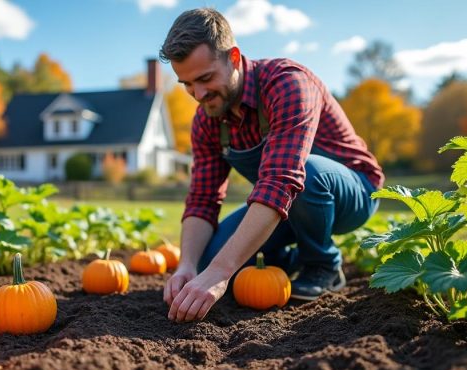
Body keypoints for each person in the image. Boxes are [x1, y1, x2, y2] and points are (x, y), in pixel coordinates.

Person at [160, 8, 384, 323]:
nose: (198, 94)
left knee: (309, 173)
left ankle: (322, 265)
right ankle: (289, 260)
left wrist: (221, 273)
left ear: (234, 58)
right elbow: (203, 199)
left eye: (205, 78)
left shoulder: (287, 84)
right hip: (285, 206)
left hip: (352, 193)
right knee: (208, 262)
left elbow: (282, 180)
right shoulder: (209, 120)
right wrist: (188, 266)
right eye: (186, 84)